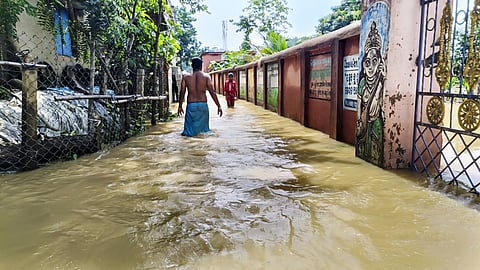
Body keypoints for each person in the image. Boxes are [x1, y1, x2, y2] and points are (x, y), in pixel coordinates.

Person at [177, 57, 223, 137]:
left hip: (191, 105)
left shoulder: (186, 77)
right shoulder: (206, 77)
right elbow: (213, 93)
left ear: (192, 66)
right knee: (204, 132)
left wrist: (180, 106)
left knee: (188, 133)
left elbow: (182, 92)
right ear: (201, 65)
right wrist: (218, 106)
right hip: (203, 105)